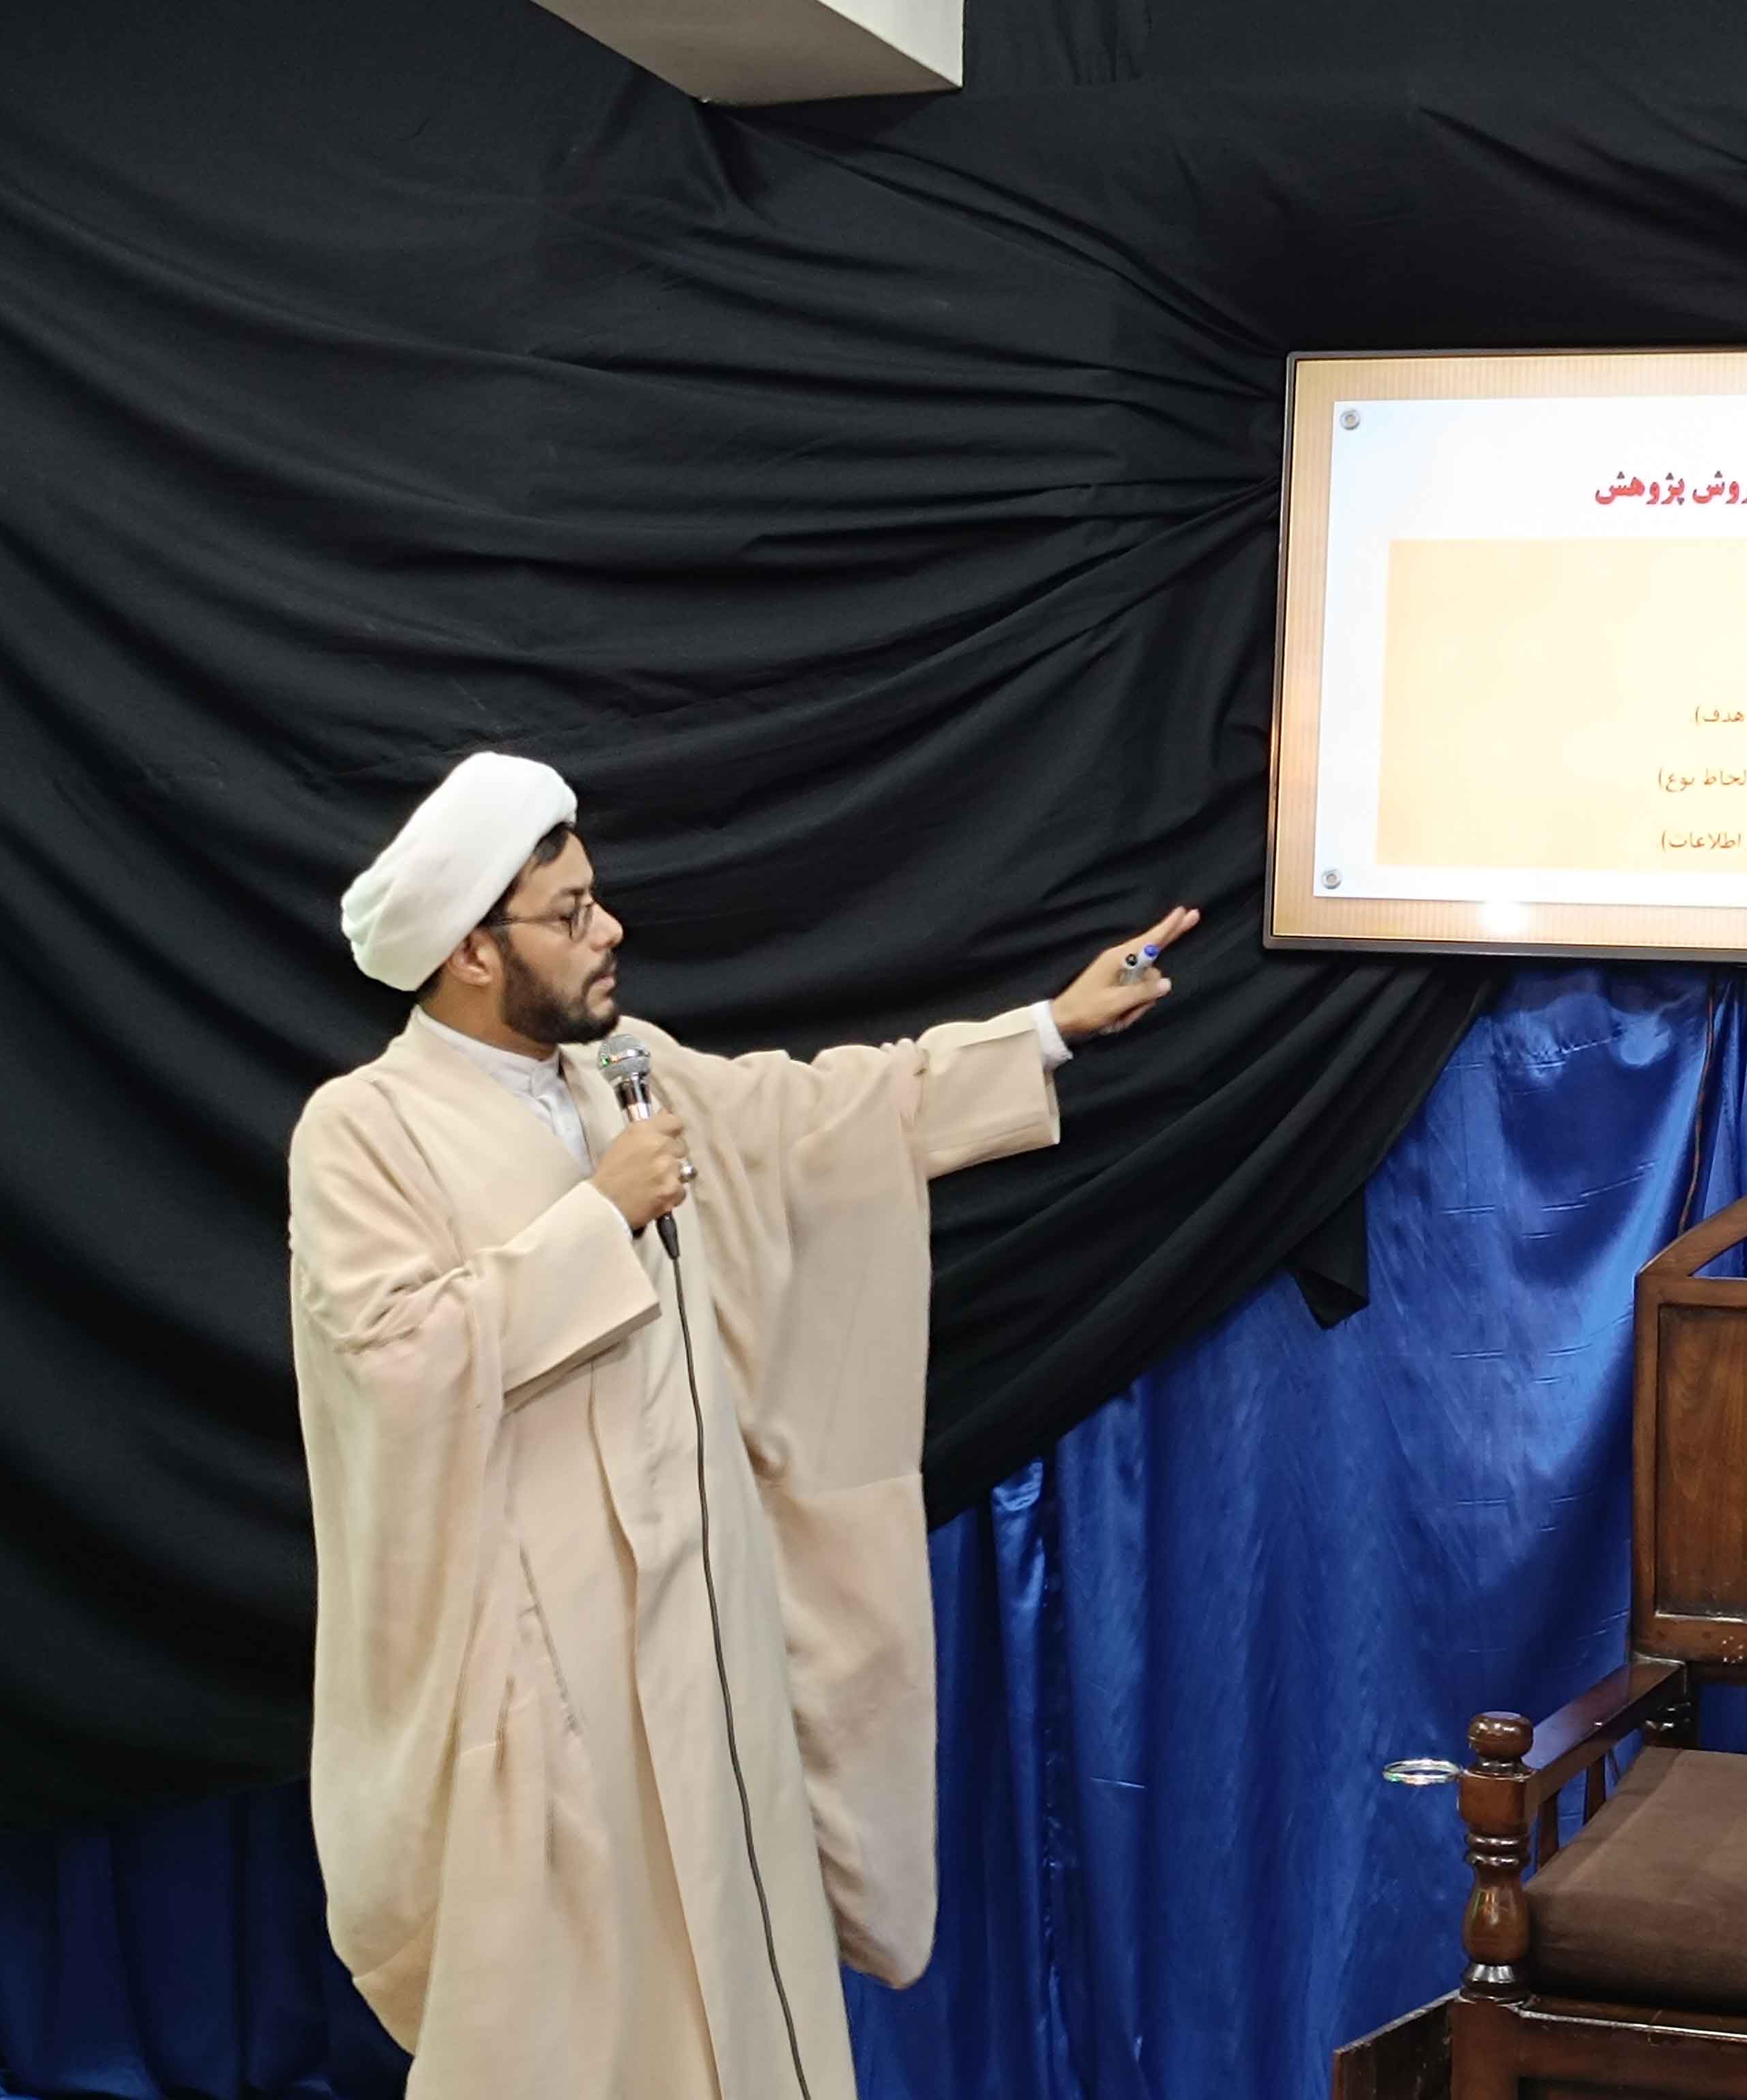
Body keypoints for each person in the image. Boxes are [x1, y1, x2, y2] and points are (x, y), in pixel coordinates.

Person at [288, 749, 1195, 2099]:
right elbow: (398, 1366)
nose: (610, 931)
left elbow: (820, 1117)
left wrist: (1049, 1029)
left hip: (698, 1636)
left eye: (597, 900)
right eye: (571, 914)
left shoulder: (627, 1074)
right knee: (571, 2024)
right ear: (473, 951)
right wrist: (597, 1218)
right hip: (542, 1677)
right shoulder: (365, 1131)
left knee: (729, 1983)